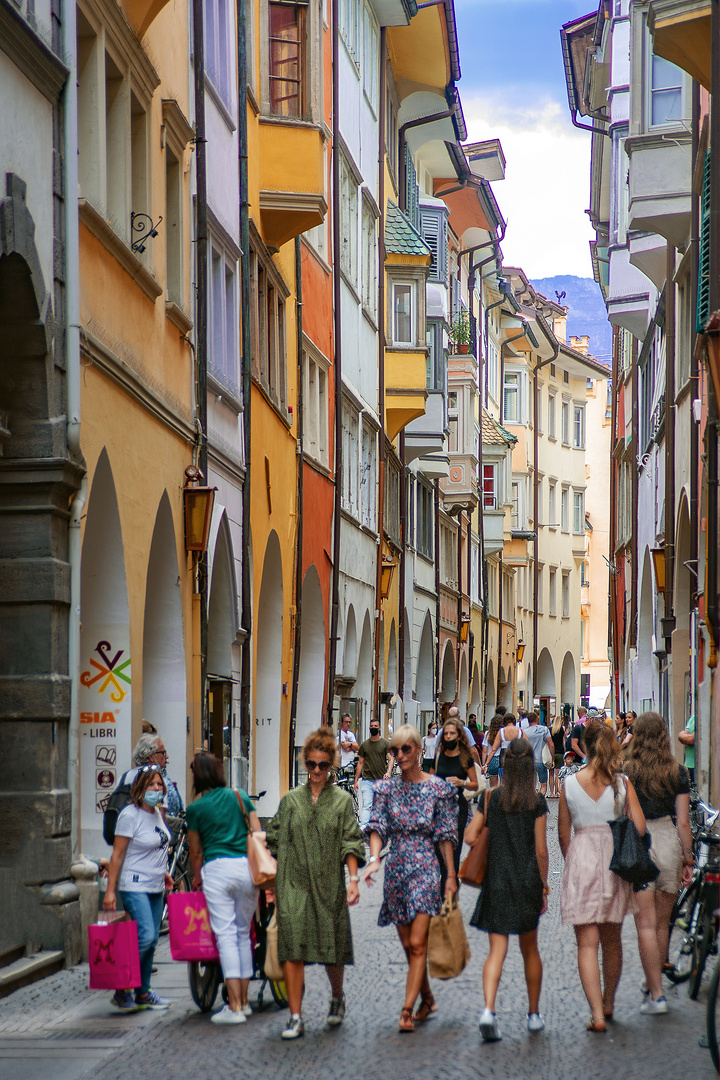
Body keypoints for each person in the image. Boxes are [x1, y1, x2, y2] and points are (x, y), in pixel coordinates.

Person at [266, 728, 364, 1040]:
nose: (317, 771)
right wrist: (271, 886)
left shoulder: (342, 801)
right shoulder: (291, 800)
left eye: (323, 765)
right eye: (311, 764)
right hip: (293, 883)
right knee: (292, 947)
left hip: (328, 884)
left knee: (331, 947)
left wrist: (353, 880)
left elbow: (351, 842)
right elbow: (275, 843)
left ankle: (337, 996)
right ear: (304, 764)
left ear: (332, 765)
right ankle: (295, 1016)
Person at [363, 725, 458, 1033]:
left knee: (418, 942)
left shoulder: (438, 789)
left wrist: (451, 876)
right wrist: (375, 859)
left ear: (420, 750)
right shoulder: (385, 789)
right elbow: (376, 827)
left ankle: (406, 1010)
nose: (400, 755)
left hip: (426, 867)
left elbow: (446, 835)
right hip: (397, 869)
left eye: (406, 749)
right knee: (409, 945)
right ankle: (427, 998)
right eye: (395, 750)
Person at [558, 721, 646, 1031]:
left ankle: (596, 1014)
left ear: (584, 744)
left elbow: (563, 834)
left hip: (581, 857)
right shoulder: (621, 783)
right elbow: (639, 828)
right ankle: (608, 1002)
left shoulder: (568, 784)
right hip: (614, 860)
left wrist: (574, 861)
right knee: (612, 941)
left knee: (586, 945)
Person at [466, 740, 549, 1041]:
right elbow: (541, 851)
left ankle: (489, 1009)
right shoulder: (537, 801)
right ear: (529, 766)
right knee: (530, 951)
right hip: (527, 879)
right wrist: (544, 886)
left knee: (496, 951)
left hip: (497, 879)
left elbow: (470, 835)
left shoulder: (490, 797)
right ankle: (534, 1015)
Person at [625, 712, 694, 1012]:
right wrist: (688, 858)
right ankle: (656, 984)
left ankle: (656, 994)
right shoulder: (677, 772)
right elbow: (683, 823)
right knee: (663, 923)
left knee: (645, 925)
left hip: (640, 841)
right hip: (668, 840)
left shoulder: (627, 770)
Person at [186, 753, 260, 1024]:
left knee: (226, 936)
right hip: (246, 868)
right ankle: (244, 1001)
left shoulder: (195, 809)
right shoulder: (239, 795)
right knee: (242, 934)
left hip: (217, 870)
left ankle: (235, 1006)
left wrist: (197, 877)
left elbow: (195, 852)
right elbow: (256, 831)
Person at [103, 764, 173, 1011]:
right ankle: (122, 987)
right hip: (134, 884)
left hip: (156, 885)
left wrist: (163, 871)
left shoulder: (156, 813)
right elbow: (118, 855)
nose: (156, 788)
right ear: (139, 788)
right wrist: (110, 891)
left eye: (159, 784)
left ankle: (143, 992)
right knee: (147, 936)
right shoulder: (129, 815)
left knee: (152, 942)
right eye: (151, 784)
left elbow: (157, 844)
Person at [434, 717, 478, 881]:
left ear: (459, 736)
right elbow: (431, 779)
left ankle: (450, 886)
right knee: (439, 847)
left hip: (458, 806)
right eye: (446, 734)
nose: (449, 736)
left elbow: (475, 784)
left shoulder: (465, 758)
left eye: (452, 733)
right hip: (438, 806)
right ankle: (445, 879)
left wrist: (462, 782)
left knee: (455, 847)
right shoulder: (438, 757)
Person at [125, 733, 184, 818]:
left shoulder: (126, 777)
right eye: (163, 753)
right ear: (152, 757)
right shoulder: (157, 778)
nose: (166, 756)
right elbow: (161, 817)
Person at [354, 720, 391, 830]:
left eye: (375, 726)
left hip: (380, 780)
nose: (373, 727)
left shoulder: (385, 744)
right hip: (367, 780)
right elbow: (360, 763)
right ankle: (364, 826)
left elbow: (390, 759)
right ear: (369, 728)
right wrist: (356, 780)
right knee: (367, 804)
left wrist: (388, 772)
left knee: (380, 805)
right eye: (371, 726)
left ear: (379, 728)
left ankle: (380, 825)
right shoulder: (364, 745)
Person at [486, 713, 528, 780]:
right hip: (516, 758)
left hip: (504, 759)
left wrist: (486, 764)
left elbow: (493, 749)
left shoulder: (501, 731)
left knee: (504, 782)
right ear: (514, 721)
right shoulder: (520, 731)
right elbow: (527, 745)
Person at [524, 712, 554, 797]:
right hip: (541, 760)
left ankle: (531, 800)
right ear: (537, 719)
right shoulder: (544, 729)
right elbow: (551, 744)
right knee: (543, 784)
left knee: (531, 784)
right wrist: (552, 759)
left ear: (528, 721)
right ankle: (540, 799)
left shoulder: (524, 732)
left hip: (529, 760)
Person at [482, 715, 505, 790]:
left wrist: (484, 764)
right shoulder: (503, 734)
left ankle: (494, 798)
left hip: (491, 759)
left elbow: (484, 751)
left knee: (493, 784)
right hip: (502, 757)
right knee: (503, 782)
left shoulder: (487, 734)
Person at [550, 714, 566, 797]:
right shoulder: (562, 729)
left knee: (551, 774)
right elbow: (564, 741)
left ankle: (551, 793)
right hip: (560, 752)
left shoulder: (550, 729)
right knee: (558, 775)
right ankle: (556, 793)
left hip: (551, 753)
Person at [677, 715, 695, 784]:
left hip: (698, 767)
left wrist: (684, 737)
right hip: (688, 765)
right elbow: (681, 737)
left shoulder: (704, 719)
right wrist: (683, 737)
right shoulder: (693, 718)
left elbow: (691, 740)